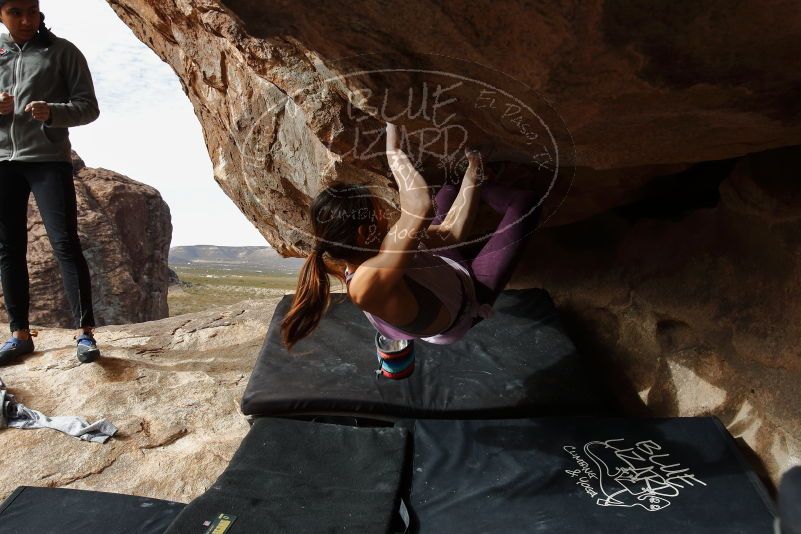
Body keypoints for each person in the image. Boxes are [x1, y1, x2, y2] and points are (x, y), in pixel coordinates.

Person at [281, 122, 541, 350]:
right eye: (378, 212)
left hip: (442, 270)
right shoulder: (365, 286)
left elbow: (448, 234)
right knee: (525, 205)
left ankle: (482, 177)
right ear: (362, 233)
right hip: (466, 301)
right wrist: (393, 149)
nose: (384, 215)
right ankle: (491, 185)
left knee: (452, 186)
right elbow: (419, 208)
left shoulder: (378, 248)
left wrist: (473, 172)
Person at [0, 0, 101, 365]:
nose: (27, 20)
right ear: (1, 13)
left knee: (65, 243)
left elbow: (89, 107)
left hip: (48, 160)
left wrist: (53, 112)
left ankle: (85, 334)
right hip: (2, 163)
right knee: (8, 248)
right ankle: (19, 335)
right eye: (16, 12)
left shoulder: (63, 51)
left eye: (33, 11)